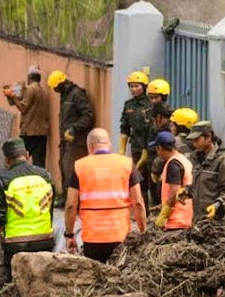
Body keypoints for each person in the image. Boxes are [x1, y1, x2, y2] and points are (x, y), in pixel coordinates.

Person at [64, 128, 146, 263]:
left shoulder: (80, 166)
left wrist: (69, 235)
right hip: (120, 235)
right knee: (120, 277)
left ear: (90, 146)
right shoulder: (126, 163)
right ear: (109, 144)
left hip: (93, 237)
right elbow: (138, 202)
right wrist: (143, 232)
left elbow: (71, 205)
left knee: (96, 279)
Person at [0, 138, 55, 281]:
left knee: (16, 283)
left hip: (15, 245)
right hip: (44, 240)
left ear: (6, 160)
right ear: (28, 155)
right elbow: (50, 209)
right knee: (43, 280)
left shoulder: (3, 181)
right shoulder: (46, 176)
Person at [47, 70, 95, 204]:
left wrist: (74, 129)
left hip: (76, 141)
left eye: (55, 87)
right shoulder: (65, 95)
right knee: (63, 166)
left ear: (61, 84)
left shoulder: (77, 94)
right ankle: (66, 198)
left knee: (71, 170)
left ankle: (74, 200)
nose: (55, 90)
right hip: (66, 141)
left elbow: (88, 116)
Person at [187, 121, 225, 228]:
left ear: (209, 137)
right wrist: (186, 191)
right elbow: (200, 186)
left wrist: (217, 205)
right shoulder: (197, 159)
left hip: (218, 223)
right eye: (193, 141)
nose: (194, 144)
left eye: (197, 140)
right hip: (198, 220)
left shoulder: (222, 160)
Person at [119, 71, 153, 208]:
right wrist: (122, 149)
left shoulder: (150, 103)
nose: (133, 89)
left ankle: (155, 206)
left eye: (136, 86)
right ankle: (142, 208)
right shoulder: (128, 105)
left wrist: (147, 148)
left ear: (144, 86)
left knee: (153, 176)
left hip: (151, 145)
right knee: (139, 178)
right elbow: (124, 127)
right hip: (136, 146)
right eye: (131, 86)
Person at [3, 65, 50, 168]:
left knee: (17, 158)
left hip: (29, 131)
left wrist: (13, 96)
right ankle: (39, 182)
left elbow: (23, 108)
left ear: (29, 77)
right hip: (41, 132)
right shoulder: (42, 91)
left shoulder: (31, 90)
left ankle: (15, 179)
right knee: (39, 164)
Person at [150, 131, 193, 231]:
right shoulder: (182, 159)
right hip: (186, 217)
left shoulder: (173, 164)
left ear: (159, 148)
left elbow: (175, 191)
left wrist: (164, 214)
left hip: (176, 220)